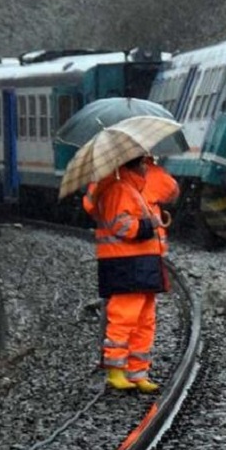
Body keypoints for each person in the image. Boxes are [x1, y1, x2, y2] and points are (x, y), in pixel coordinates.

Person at [84, 154, 175, 393]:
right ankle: (116, 370)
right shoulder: (120, 189)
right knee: (124, 318)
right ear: (135, 165)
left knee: (145, 320)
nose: (148, 167)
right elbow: (123, 226)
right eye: (145, 163)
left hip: (141, 262)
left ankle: (138, 372)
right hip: (125, 263)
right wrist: (148, 225)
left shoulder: (132, 189)